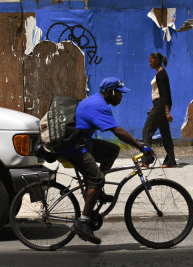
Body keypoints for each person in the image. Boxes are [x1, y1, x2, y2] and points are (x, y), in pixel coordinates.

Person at [63, 77, 151, 245]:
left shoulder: (97, 101)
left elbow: (115, 133)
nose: (121, 97)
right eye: (119, 94)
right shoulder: (98, 105)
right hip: (76, 148)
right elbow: (117, 130)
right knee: (96, 178)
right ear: (110, 92)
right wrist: (140, 146)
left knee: (112, 150)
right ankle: (82, 222)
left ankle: (96, 191)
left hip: (83, 142)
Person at [142, 52, 177, 168]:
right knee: (165, 133)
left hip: (161, 106)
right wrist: (153, 106)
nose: (149, 63)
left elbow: (165, 94)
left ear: (157, 61)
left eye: (150, 61)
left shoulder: (161, 74)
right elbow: (159, 94)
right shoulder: (160, 73)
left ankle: (147, 158)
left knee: (147, 131)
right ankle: (171, 160)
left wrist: (167, 111)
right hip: (159, 105)